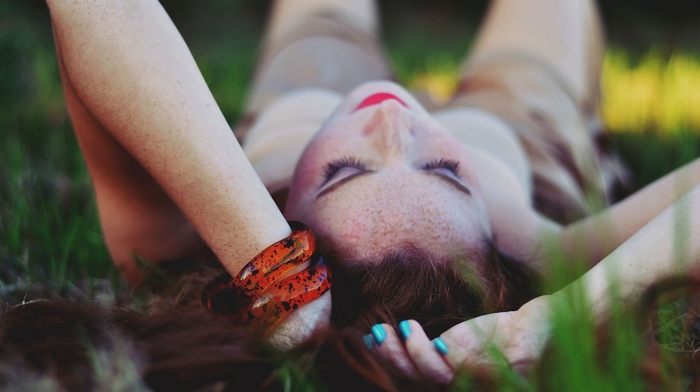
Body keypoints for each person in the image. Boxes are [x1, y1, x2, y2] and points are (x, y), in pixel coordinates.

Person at [29, 0, 700, 388]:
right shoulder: (542, 249)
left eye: (341, 172)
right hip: (526, 130)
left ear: (287, 215)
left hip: (307, 86)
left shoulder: (183, 240)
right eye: (447, 172)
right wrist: (564, 311)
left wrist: (271, 266)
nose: (395, 118)